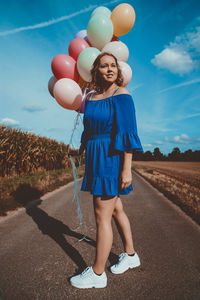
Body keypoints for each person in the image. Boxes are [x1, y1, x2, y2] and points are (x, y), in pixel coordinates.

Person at [68, 52, 143, 289]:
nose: (109, 69)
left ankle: (98, 274)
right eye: (104, 66)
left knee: (102, 216)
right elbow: (88, 129)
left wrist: (126, 170)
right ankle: (131, 255)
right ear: (96, 70)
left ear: (117, 70)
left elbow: (128, 133)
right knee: (115, 209)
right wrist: (79, 150)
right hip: (95, 157)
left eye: (113, 65)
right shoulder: (91, 96)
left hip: (111, 158)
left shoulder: (122, 95)